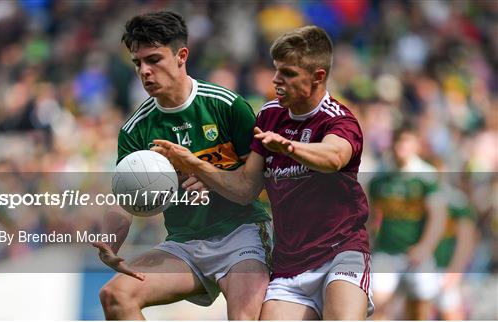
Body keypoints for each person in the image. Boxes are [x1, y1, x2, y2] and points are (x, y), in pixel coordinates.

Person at [153, 25, 374, 320]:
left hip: (341, 253)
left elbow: (334, 157)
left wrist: (290, 148)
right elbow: (245, 188)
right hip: (290, 265)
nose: (276, 80)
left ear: (318, 77)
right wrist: (195, 165)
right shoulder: (269, 116)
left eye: (288, 74)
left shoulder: (338, 120)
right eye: (276, 71)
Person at [93, 11, 272, 320]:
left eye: (154, 60)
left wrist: (210, 175)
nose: (145, 71)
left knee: (245, 317)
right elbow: (125, 201)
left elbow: (258, 180)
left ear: (181, 56)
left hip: (241, 235)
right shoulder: (135, 129)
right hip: (184, 244)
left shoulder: (226, 106)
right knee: (115, 296)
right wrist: (110, 241)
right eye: (138, 63)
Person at [368, 128, 447, 320]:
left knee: (419, 308)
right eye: (398, 141)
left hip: (416, 253)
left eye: (406, 141)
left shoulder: (426, 176)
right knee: (378, 305)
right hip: (386, 251)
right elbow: (370, 215)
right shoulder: (380, 175)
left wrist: (425, 246)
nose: (401, 147)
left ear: (416, 146)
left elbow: (438, 216)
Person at [433, 172, 476, 320]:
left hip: (443, 267)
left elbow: (466, 240)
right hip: (420, 265)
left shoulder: (456, 202)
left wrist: (455, 270)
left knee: (450, 309)